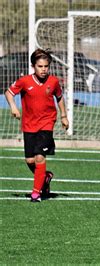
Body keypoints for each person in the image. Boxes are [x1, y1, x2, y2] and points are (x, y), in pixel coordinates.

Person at [4, 48, 69, 202]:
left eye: (46, 66)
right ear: (33, 66)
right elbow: (8, 92)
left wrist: (64, 116)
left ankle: (36, 193)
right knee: (30, 161)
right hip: (29, 125)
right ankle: (45, 178)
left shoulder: (53, 81)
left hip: (47, 123)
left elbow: (59, 97)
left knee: (40, 157)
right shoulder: (24, 81)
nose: (43, 69)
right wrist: (13, 107)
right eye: (40, 66)